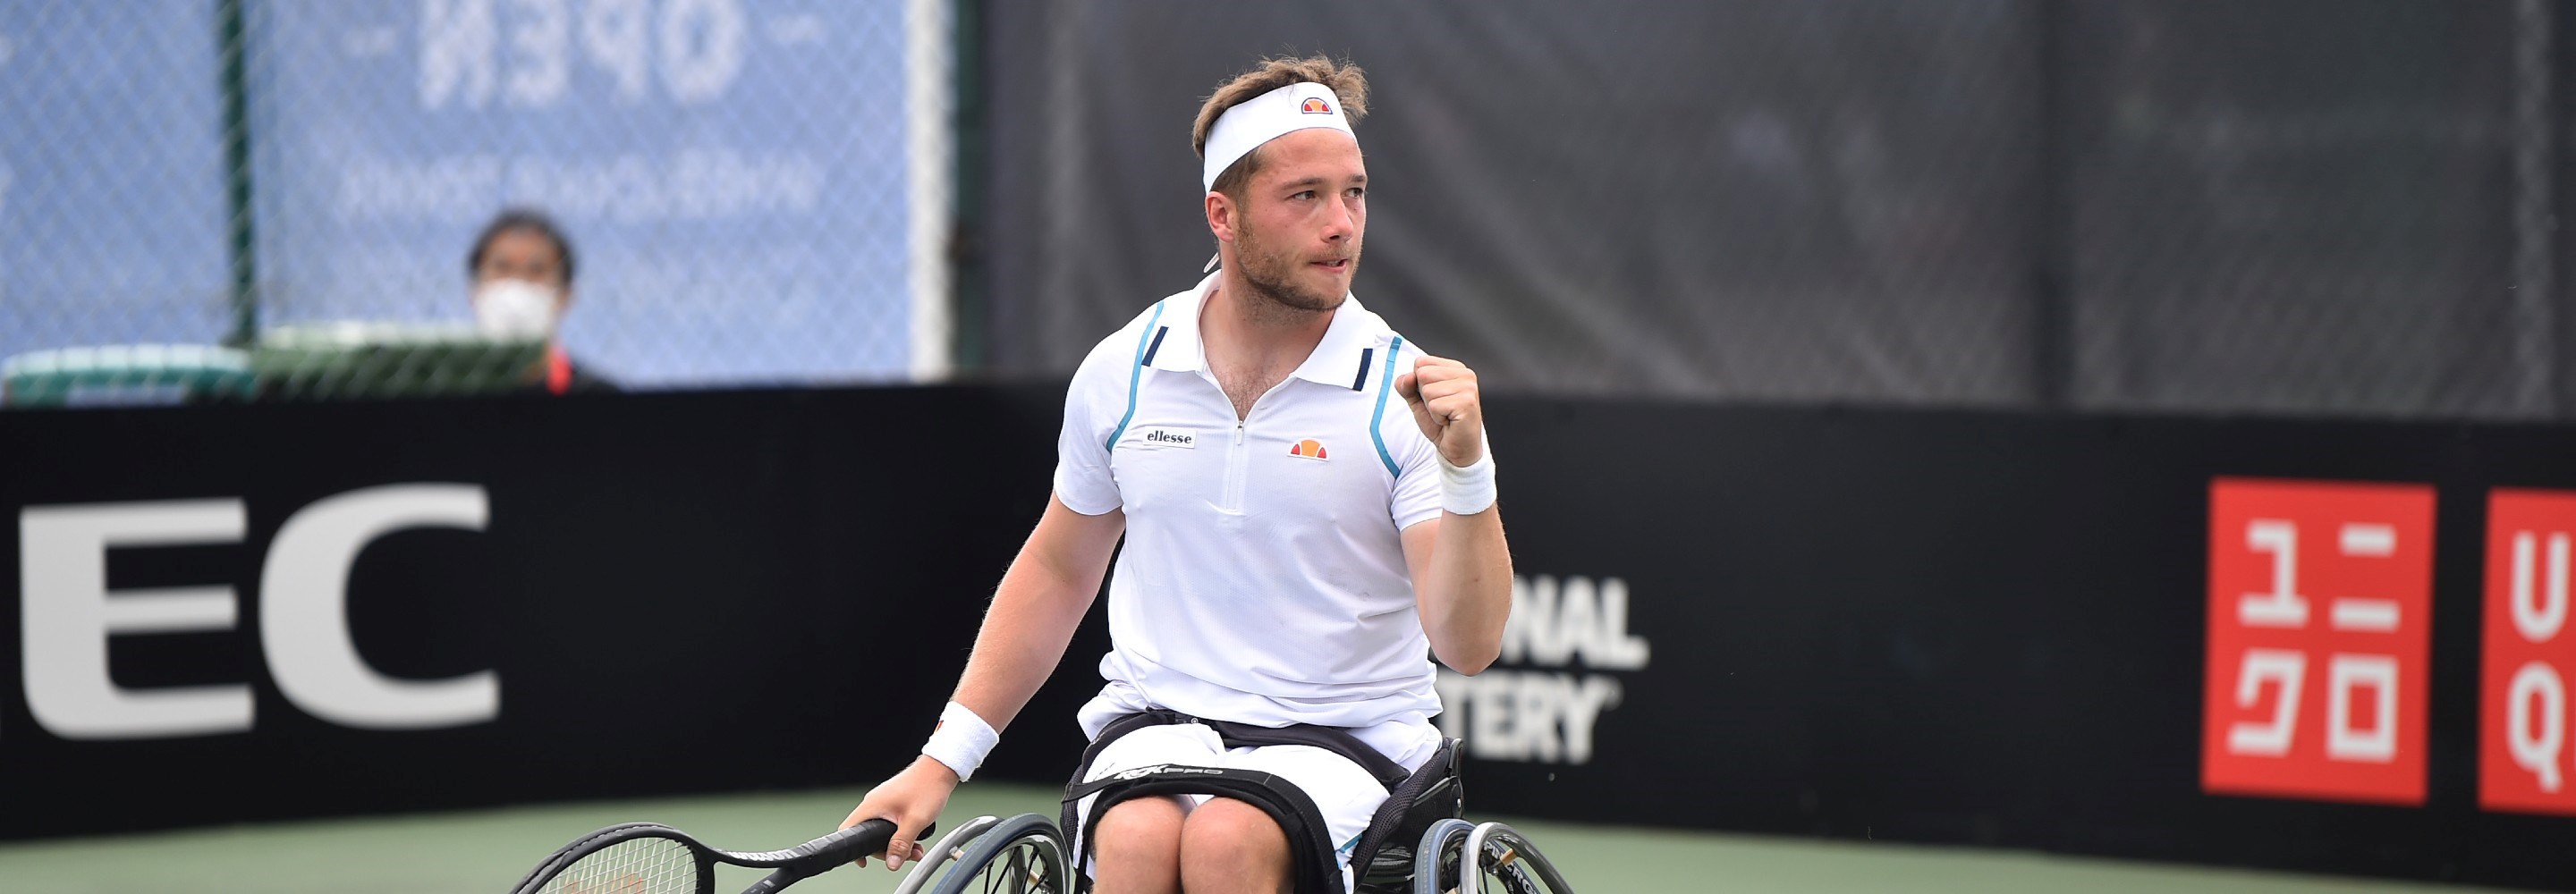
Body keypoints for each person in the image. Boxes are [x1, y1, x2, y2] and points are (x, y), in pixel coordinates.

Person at [842, 55, 1511, 894]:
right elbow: (1058, 568)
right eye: (1304, 196)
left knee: (1230, 840)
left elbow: (1469, 645)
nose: (1342, 223)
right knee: (1135, 838)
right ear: (1221, 215)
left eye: (1355, 192)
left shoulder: (1400, 395)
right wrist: (942, 762)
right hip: (1160, 725)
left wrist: (1466, 470)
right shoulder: (1124, 370)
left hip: (1350, 737)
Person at [466, 208, 615, 393]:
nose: (517, 286)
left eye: (536, 270)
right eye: (502, 268)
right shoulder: (441, 392)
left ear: (565, 296)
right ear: (474, 291)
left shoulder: (601, 398)